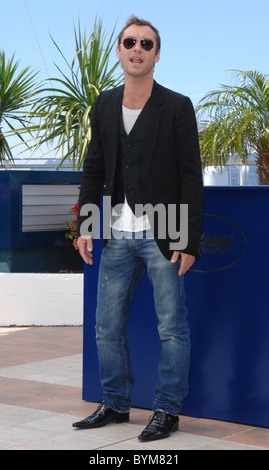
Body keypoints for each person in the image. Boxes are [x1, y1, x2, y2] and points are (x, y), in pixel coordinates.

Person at [72, 16, 204, 442]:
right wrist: (86, 226)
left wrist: (188, 239)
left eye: (146, 43)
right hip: (117, 233)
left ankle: (167, 410)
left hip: (164, 232)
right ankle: (114, 403)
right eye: (130, 42)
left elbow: (190, 176)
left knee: (172, 327)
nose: (137, 49)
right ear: (119, 50)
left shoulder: (177, 106)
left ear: (157, 54)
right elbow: (94, 169)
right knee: (105, 326)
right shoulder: (105, 104)